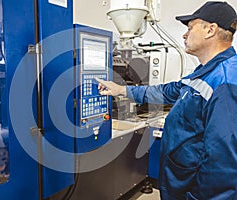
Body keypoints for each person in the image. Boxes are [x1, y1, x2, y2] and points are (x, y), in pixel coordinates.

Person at [96, 1, 237, 200]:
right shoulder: (204, 73)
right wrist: (120, 89)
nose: (184, 34)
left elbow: (223, 163)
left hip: (193, 189)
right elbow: (166, 91)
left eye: (190, 28)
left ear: (210, 30)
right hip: (179, 179)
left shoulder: (226, 80)